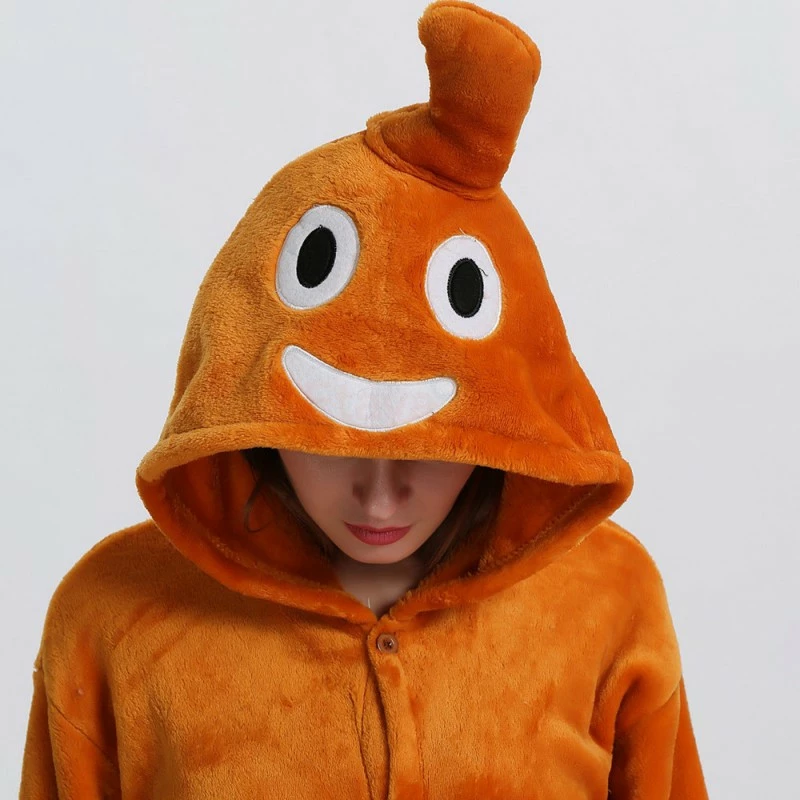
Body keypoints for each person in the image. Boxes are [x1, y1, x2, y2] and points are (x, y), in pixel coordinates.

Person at [19, 1, 709, 797]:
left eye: (429, 451)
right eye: (330, 447)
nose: (380, 498)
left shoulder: (608, 600)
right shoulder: (115, 615)